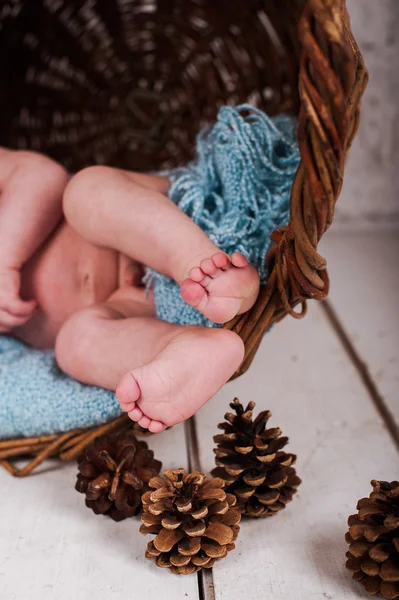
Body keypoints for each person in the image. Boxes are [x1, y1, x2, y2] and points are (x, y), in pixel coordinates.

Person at [0, 148, 260, 433]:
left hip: (134, 226)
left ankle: (201, 264)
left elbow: (40, 177)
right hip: (129, 305)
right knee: (73, 346)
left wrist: (5, 260)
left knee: (85, 193)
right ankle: (185, 349)